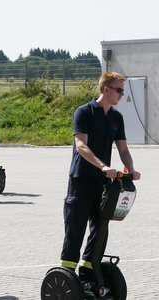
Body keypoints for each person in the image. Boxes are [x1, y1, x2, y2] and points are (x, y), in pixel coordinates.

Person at [60, 72, 141, 283]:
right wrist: (103, 165)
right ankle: (67, 277)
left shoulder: (116, 118)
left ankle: (88, 273)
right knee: (75, 232)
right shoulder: (84, 112)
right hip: (81, 180)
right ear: (106, 89)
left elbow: (123, 149)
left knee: (101, 230)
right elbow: (81, 145)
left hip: (104, 184)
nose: (122, 94)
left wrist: (131, 169)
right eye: (119, 90)